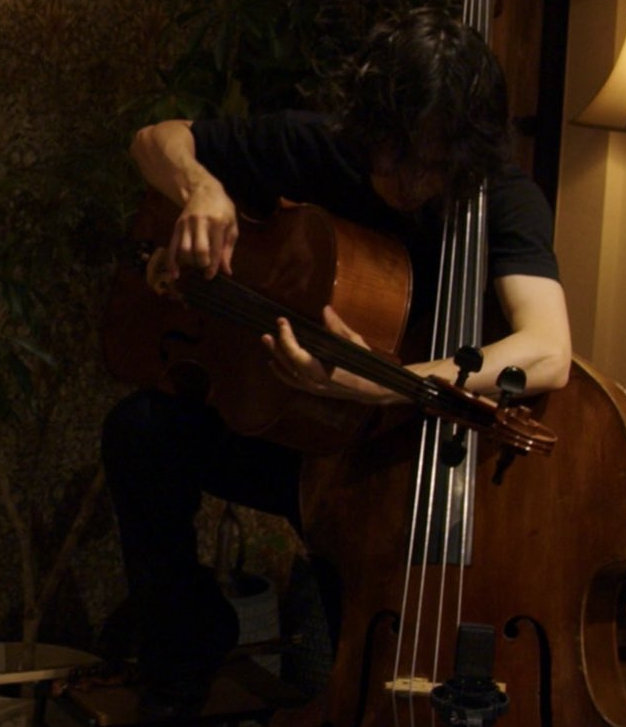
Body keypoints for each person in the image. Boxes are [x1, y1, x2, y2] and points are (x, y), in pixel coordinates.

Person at [101, 7, 571, 719]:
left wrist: (388, 385)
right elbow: (153, 140)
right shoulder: (321, 145)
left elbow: (547, 350)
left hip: (385, 460)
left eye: (434, 161)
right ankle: (183, 649)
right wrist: (200, 187)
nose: (409, 178)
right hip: (292, 433)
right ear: (369, 124)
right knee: (140, 431)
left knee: (360, 675)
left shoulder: (502, 200)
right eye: (395, 152)